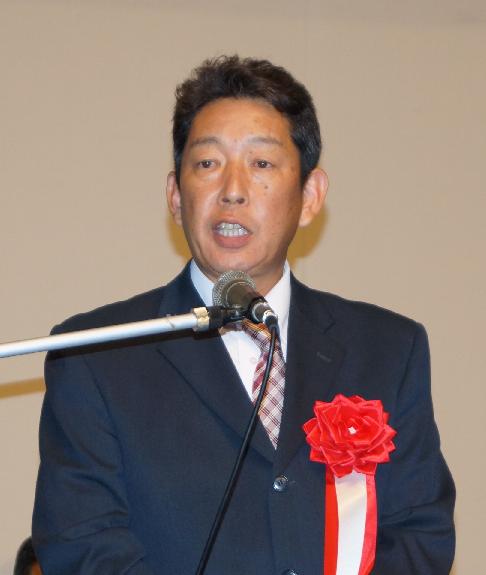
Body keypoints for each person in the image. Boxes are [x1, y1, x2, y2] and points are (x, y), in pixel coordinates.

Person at [32, 56, 455, 574]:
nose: (232, 190)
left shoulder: (388, 350)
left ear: (310, 197)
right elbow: (84, 547)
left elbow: (418, 534)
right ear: (175, 196)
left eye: (262, 164)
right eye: (207, 164)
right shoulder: (96, 355)